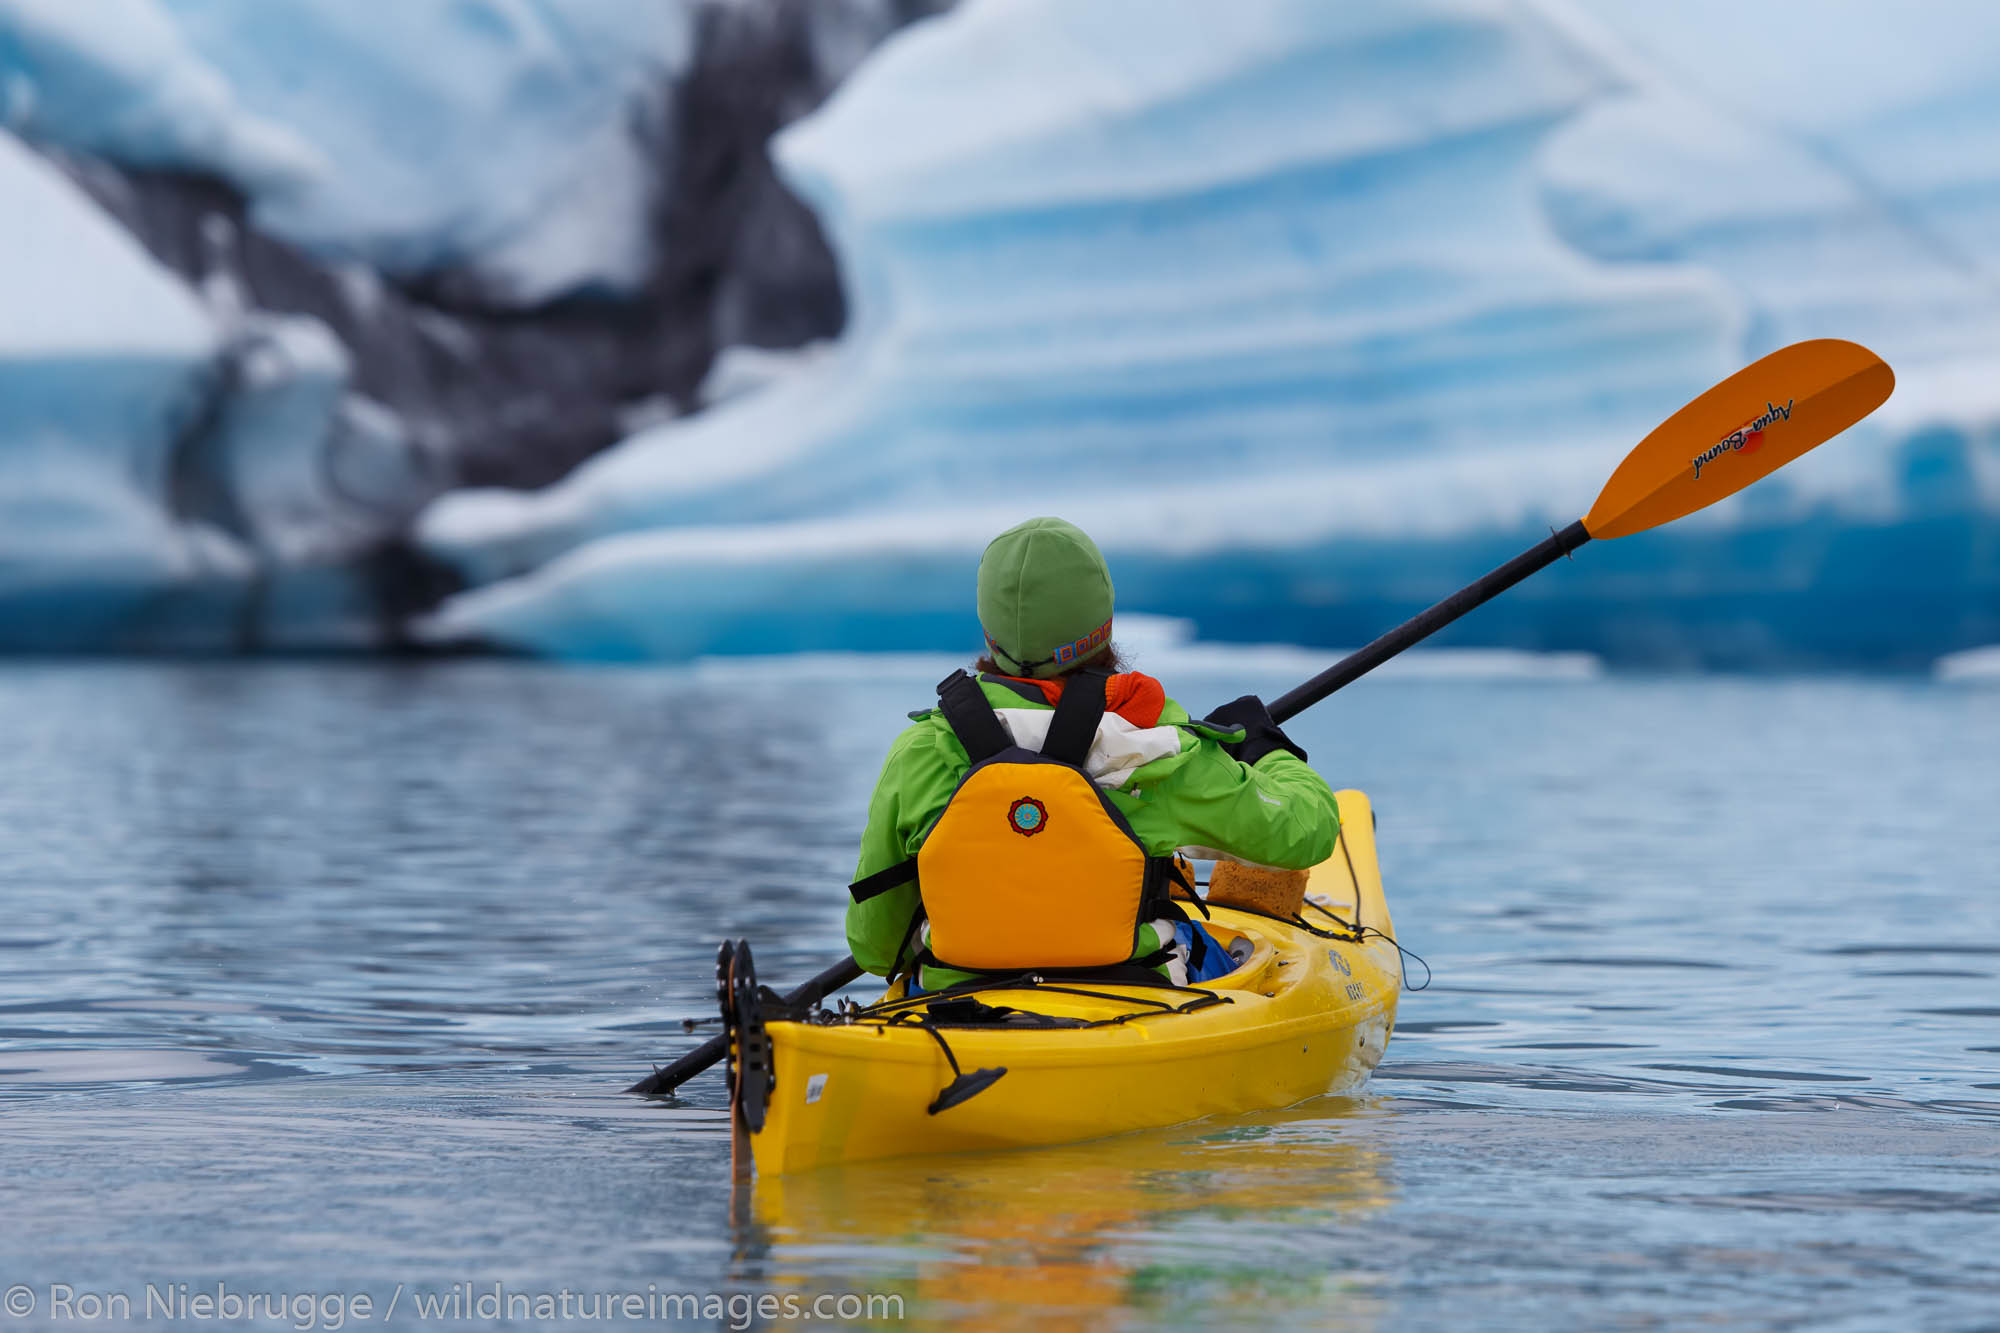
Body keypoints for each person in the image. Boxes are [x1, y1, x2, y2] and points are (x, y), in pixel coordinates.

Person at [846, 517, 1341, 992]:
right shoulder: (1150, 744)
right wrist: (1265, 749)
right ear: (1102, 621)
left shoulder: (923, 751)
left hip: (955, 1006)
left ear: (989, 629)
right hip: (1136, 994)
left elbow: (875, 948)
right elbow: (1306, 833)